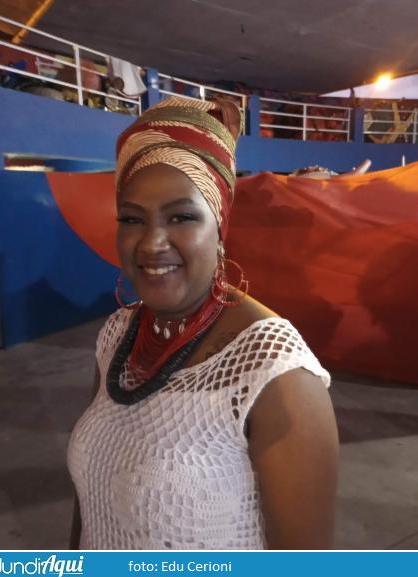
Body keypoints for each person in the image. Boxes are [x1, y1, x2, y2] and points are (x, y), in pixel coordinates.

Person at [68, 96, 339, 550]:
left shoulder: (275, 372)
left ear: (220, 226)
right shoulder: (116, 335)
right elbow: (89, 508)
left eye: (182, 217)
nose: (151, 243)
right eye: (132, 219)